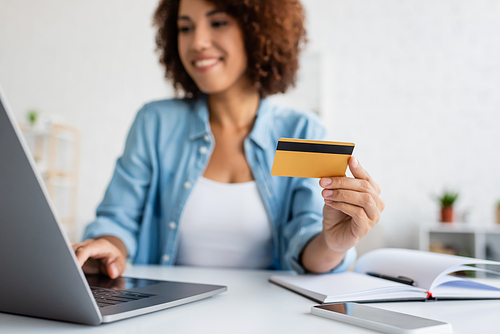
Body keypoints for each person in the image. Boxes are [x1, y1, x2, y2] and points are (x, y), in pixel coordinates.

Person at [73, 0, 385, 279]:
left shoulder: (303, 132)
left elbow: (306, 243)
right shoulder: (154, 123)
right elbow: (118, 220)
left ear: (258, 31)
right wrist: (106, 246)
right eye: (185, 28)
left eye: (218, 22)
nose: (197, 41)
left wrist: (332, 244)